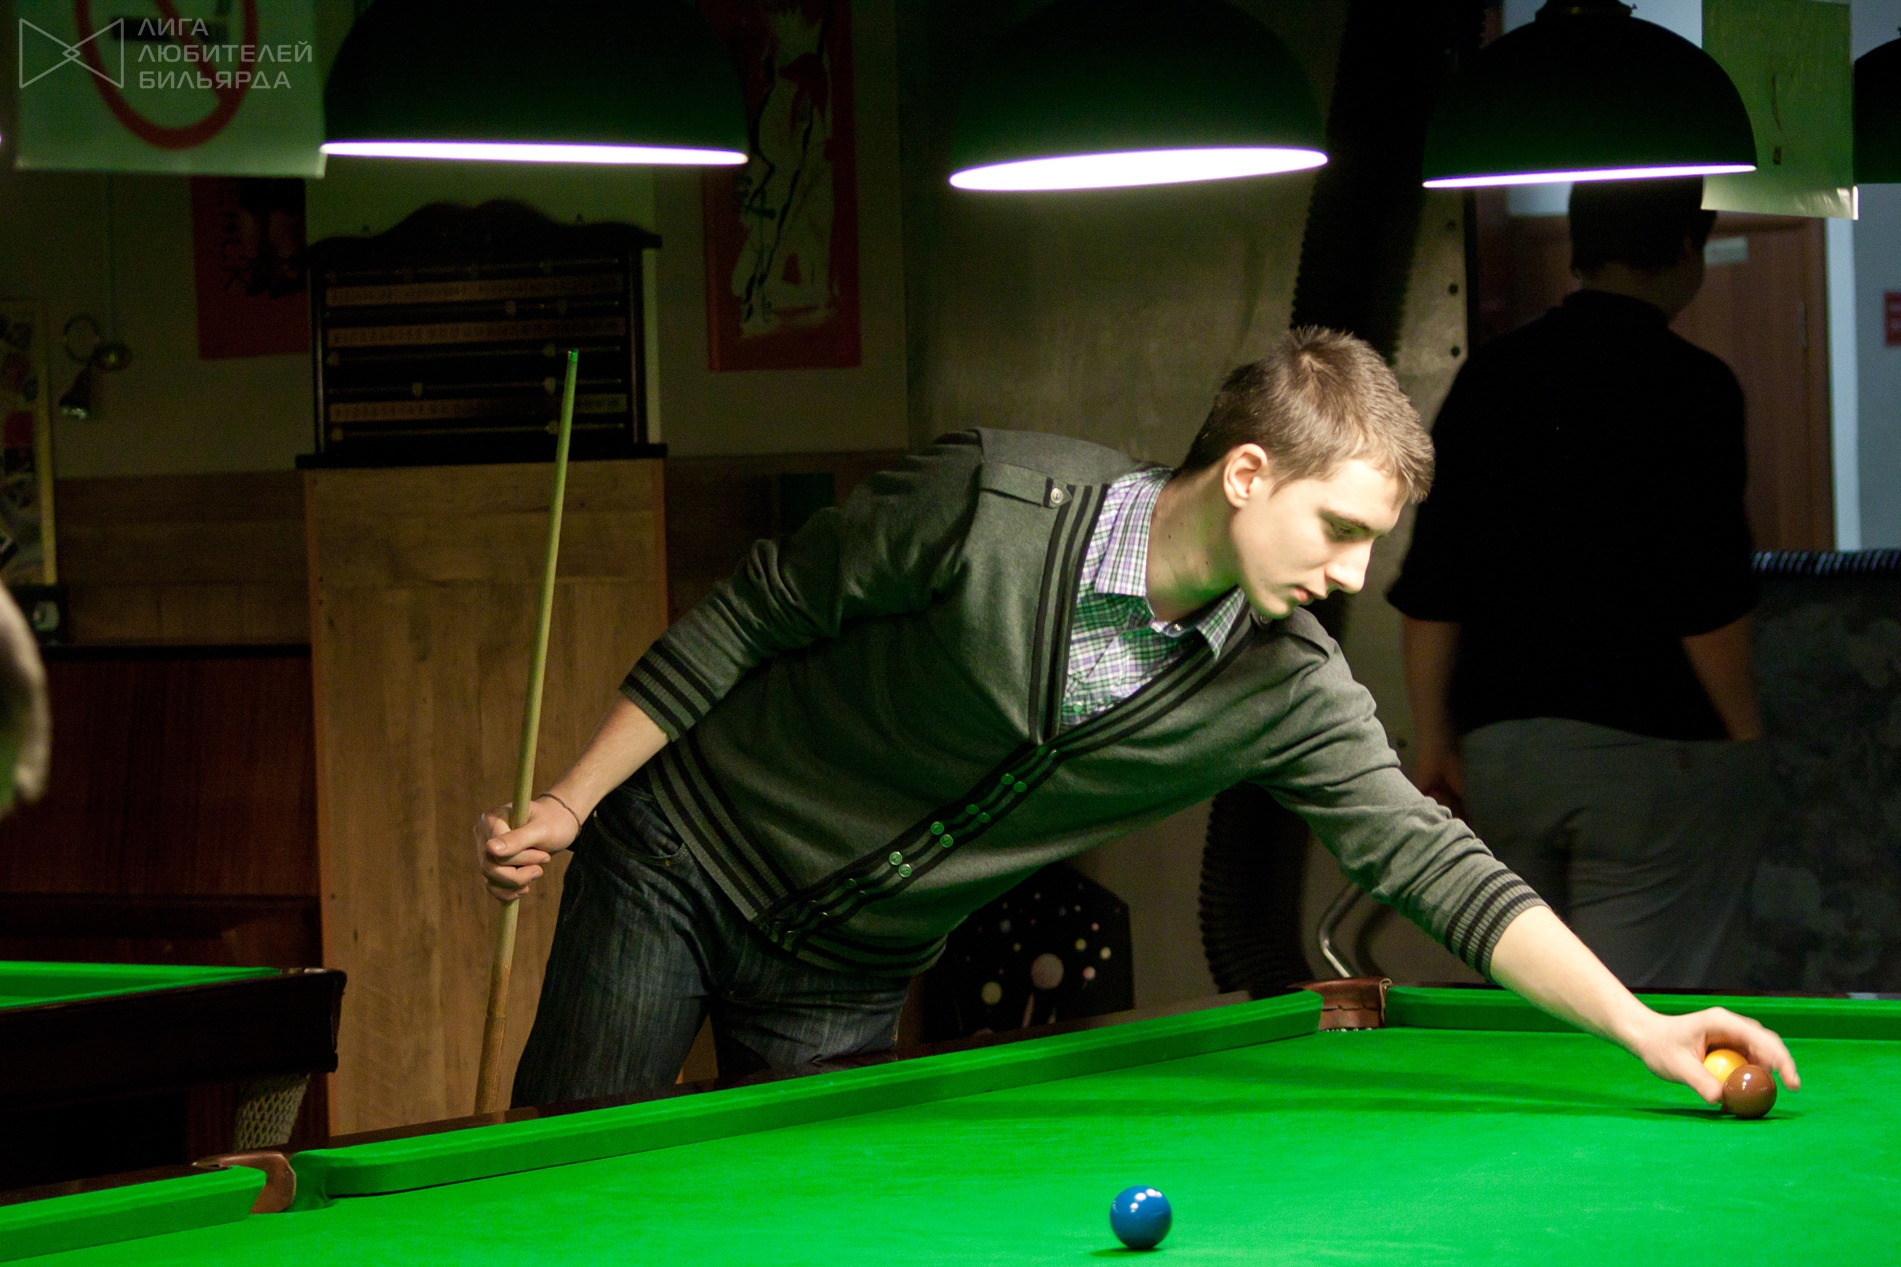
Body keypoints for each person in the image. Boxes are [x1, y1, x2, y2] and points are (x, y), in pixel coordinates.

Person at [480, 327, 1797, 1107]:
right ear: (1247, 473)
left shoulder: (1286, 687)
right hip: (680, 863)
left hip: (847, 970)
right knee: (561, 1190)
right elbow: (759, 610)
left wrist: (1643, 1025)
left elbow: (1430, 859)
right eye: (1338, 529)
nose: (1352, 576)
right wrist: (572, 801)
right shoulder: (991, 502)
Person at [1390, 177, 1767, 990]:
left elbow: (1432, 591)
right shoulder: (1694, 385)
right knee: (1642, 1014)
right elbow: (1703, 598)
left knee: (1530, 1002)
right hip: (1650, 758)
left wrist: (1434, 741)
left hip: (1502, 756)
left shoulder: (1489, 376)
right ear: (1684, 248)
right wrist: (1745, 740)